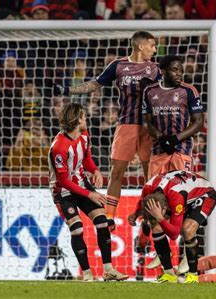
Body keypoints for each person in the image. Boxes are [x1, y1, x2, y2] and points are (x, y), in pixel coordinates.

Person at [53, 31, 160, 231]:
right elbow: (94, 84)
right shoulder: (118, 65)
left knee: (150, 175)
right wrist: (68, 90)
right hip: (126, 123)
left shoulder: (155, 69)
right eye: (152, 45)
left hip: (149, 127)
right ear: (140, 46)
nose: (154, 50)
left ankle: (149, 217)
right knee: (116, 171)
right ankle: (109, 216)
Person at [48, 102, 128, 282]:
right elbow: (63, 181)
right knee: (77, 229)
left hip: (82, 184)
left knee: (103, 222)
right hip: (63, 191)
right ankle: (87, 274)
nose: (86, 119)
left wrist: (96, 170)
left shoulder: (84, 134)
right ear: (77, 120)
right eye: (83, 116)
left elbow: (86, 158)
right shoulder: (59, 147)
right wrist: (90, 194)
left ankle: (108, 270)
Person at [127, 170, 216, 283]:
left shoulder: (176, 197)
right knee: (156, 226)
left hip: (205, 194)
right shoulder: (148, 187)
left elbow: (174, 234)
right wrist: (136, 214)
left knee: (187, 229)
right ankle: (169, 275)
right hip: (181, 191)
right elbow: (142, 202)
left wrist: (160, 218)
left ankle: (193, 276)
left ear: (166, 208)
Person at [143, 55, 204, 177]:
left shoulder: (189, 90)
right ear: (163, 71)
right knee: (155, 191)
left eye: (181, 71)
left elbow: (198, 122)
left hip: (182, 150)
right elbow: (146, 122)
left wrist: (175, 139)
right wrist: (161, 138)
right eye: (174, 70)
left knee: (181, 190)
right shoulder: (150, 91)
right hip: (159, 150)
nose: (179, 74)